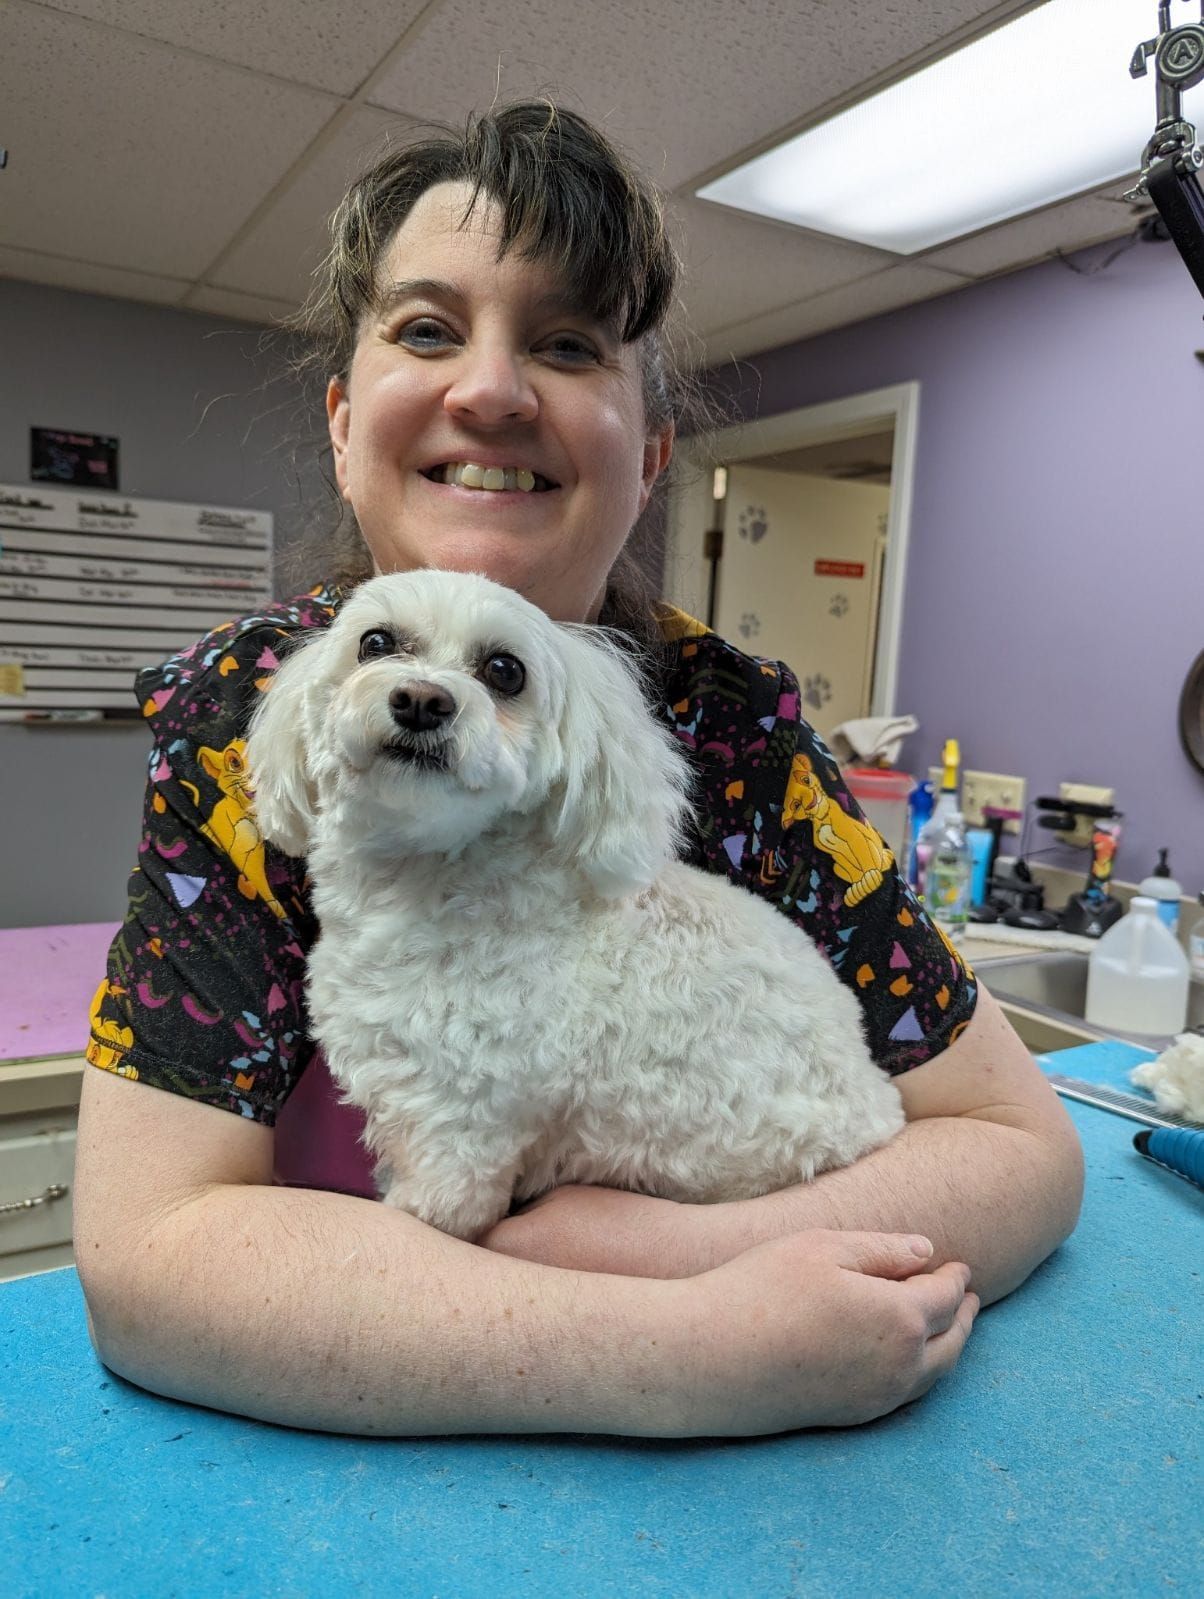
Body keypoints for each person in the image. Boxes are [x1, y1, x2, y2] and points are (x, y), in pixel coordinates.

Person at [74, 102, 1082, 1439]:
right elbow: (152, 1258)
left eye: (566, 342)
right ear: (341, 419)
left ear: (651, 453)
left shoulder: (743, 743)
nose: (490, 391)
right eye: (427, 329)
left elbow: (1021, 1154)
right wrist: (672, 1345)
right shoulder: (235, 725)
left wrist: (643, 1245)